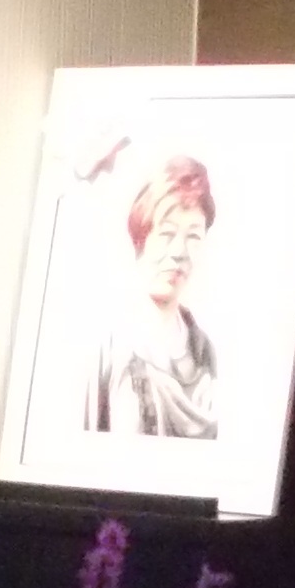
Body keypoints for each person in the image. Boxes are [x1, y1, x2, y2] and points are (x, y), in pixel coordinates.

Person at [80, 152, 220, 441]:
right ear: (141, 238)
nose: (179, 252)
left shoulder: (204, 351)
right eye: (167, 234)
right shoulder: (109, 344)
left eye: (193, 236)